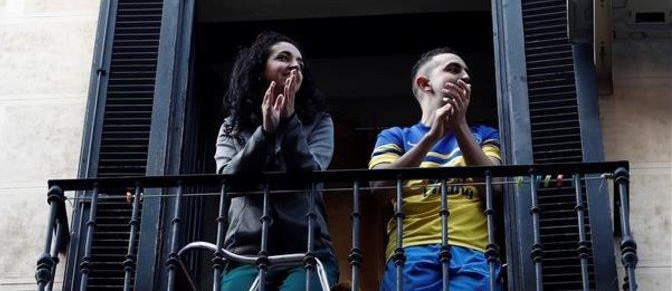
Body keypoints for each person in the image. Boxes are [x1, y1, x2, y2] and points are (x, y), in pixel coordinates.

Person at [368, 48, 502, 291]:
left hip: (474, 252)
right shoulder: (396, 136)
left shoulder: (485, 135)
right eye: (453, 69)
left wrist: (460, 126)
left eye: (467, 74)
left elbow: (495, 188)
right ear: (424, 83)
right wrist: (430, 138)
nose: (465, 77)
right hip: (410, 252)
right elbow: (378, 189)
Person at [215, 32, 338, 291]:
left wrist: (289, 120)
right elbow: (229, 179)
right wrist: (265, 133)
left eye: (300, 63)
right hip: (245, 252)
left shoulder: (320, 121)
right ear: (260, 69)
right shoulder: (232, 126)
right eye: (283, 57)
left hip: (308, 251)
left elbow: (311, 172)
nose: (294, 64)